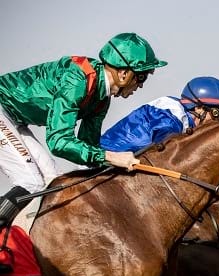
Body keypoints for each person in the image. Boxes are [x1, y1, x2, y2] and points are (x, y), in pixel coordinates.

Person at [0, 32, 166, 229]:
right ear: (123, 74)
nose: (140, 85)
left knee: (52, 182)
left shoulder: (102, 99)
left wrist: (113, 170)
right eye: (141, 77)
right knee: (31, 182)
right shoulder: (77, 79)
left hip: (14, 118)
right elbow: (58, 141)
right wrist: (111, 156)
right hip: (3, 110)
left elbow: (88, 148)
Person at [100, 76, 219, 152]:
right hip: (108, 157)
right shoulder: (171, 118)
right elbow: (166, 155)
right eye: (217, 114)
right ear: (198, 108)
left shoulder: (181, 116)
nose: (218, 120)